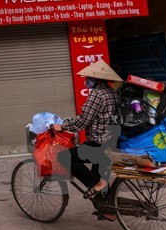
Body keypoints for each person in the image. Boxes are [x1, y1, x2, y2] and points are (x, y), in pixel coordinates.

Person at [52, 59, 121, 203]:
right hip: (112, 142)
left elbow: (84, 121)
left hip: (99, 144)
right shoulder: (112, 93)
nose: (86, 81)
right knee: (97, 177)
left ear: (96, 79)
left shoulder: (97, 94)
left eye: (88, 78)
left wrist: (63, 127)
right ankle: (108, 211)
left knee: (65, 157)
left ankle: (98, 184)